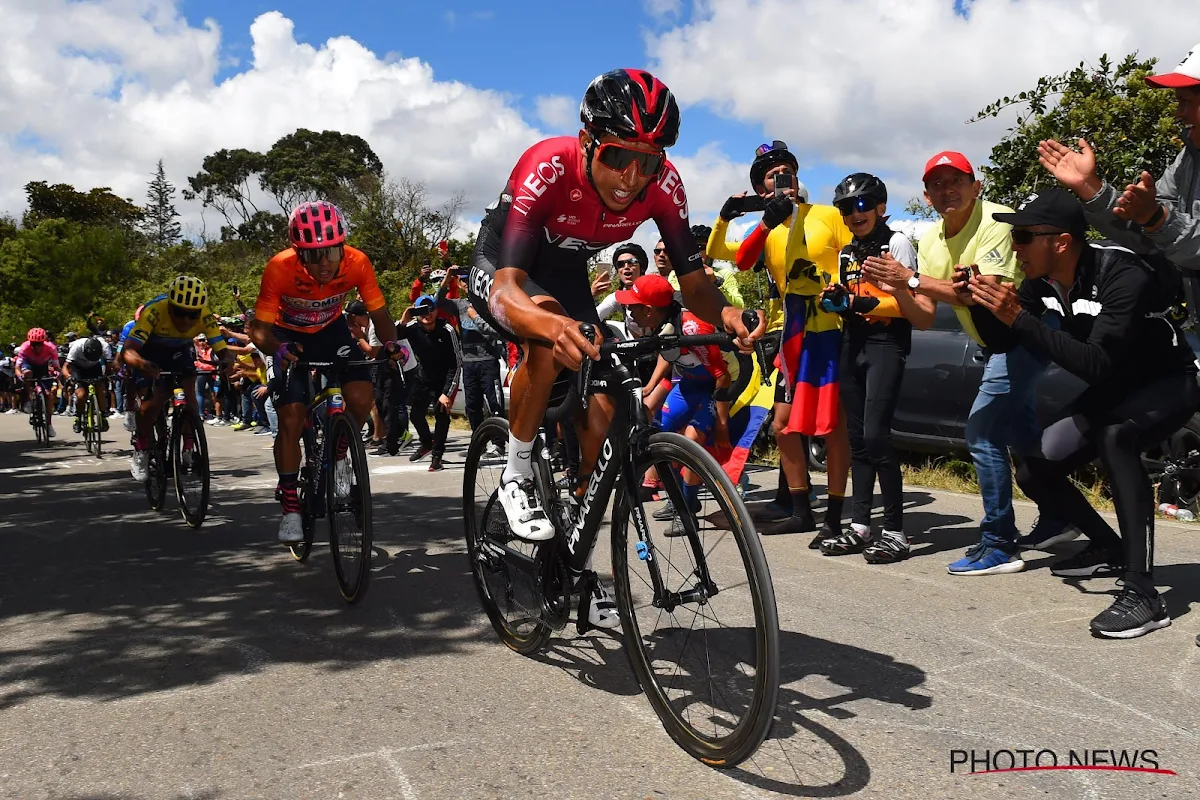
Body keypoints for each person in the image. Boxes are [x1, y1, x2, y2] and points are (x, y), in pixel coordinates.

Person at [466, 69, 760, 630]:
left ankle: (574, 544)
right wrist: (548, 328)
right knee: (549, 330)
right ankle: (517, 470)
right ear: (587, 141)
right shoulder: (547, 165)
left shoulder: (663, 185)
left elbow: (694, 278)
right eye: (619, 156)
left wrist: (725, 312)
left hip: (569, 272)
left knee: (606, 397)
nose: (632, 177)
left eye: (648, 161)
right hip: (503, 267)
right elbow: (508, 285)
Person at [963, 189, 1199, 638]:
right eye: (1015, 235)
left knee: (1116, 438)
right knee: (1035, 469)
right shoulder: (1042, 283)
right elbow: (1003, 340)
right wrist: (980, 300)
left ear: (1062, 242)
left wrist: (1020, 318)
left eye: (1025, 236)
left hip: (1168, 385)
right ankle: (1110, 547)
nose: (1015, 246)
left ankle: (1143, 592)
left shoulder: (1122, 273)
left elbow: (1096, 362)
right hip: (1115, 391)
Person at [862, 152, 1072, 575]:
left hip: (1027, 333)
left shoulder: (998, 220)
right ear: (926, 195)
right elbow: (922, 315)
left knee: (981, 433)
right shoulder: (932, 239)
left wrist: (913, 279)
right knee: (1022, 434)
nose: (947, 190)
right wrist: (898, 287)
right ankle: (1058, 516)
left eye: (955, 180)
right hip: (1000, 342)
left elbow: (980, 292)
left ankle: (1000, 543)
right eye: (937, 184)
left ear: (976, 186)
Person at [717, 140, 853, 540]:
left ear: (796, 177)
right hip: (794, 333)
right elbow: (735, 259)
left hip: (833, 328)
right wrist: (730, 219)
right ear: (762, 191)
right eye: (770, 178)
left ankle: (833, 515)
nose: (779, 180)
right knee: (783, 426)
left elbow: (856, 255)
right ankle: (800, 508)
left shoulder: (828, 215)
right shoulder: (769, 230)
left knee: (834, 427)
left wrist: (846, 289)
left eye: (785, 173)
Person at [251, 201, 401, 543]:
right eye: (312, 256)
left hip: (331, 332)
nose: (323, 264)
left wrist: (391, 344)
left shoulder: (358, 262)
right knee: (291, 416)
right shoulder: (279, 268)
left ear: (341, 246)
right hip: (289, 337)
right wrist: (278, 349)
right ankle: (291, 503)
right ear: (297, 252)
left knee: (362, 397)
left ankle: (338, 451)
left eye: (331, 253)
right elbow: (258, 330)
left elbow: (381, 316)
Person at [819, 174, 935, 562]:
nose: (855, 214)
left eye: (863, 205)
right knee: (856, 438)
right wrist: (837, 297)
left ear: (881, 207)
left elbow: (906, 304)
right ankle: (859, 526)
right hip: (853, 342)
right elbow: (852, 296)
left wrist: (859, 306)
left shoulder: (896, 241)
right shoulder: (848, 252)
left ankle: (896, 532)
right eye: (847, 209)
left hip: (886, 343)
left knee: (876, 436)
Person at [1038, 43, 1200, 273]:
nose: (1178, 113)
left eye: (1185, 101)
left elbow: (1160, 222)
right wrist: (1090, 188)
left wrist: (1155, 217)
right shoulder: (1189, 158)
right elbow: (1150, 237)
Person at [122, 277, 231, 480]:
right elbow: (127, 351)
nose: (187, 320)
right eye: (180, 313)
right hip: (150, 351)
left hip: (180, 350)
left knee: (189, 394)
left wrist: (226, 361)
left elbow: (222, 350)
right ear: (170, 307)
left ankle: (189, 442)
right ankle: (141, 446)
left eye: (193, 315)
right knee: (152, 403)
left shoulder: (205, 317)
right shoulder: (154, 311)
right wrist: (142, 364)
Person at [400, 295, 462, 471]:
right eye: (422, 310)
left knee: (441, 414)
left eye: (431, 309)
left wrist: (446, 393)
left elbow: (456, 364)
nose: (427, 314)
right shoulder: (412, 328)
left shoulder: (447, 330)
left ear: (437, 310)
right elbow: (390, 337)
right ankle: (426, 443)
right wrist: (403, 321)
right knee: (415, 414)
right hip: (423, 376)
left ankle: (437, 456)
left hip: (444, 378)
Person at [63, 334, 113, 434]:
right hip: (78, 369)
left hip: (95, 368)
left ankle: (103, 416)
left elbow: (109, 366)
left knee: (100, 390)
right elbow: (65, 367)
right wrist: (69, 377)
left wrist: (107, 376)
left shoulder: (105, 347)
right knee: (81, 395)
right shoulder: (76, 347)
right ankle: (78, 417)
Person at [15, 328, 60, 436]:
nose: (36, 347)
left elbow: (56, 366)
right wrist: (20, 375)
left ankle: (49, 424)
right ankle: (29, 398)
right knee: (27, 373)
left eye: (39, 344)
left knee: (48, 395)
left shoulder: (51, 348)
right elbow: (17, 367)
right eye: (33, 344)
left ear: (43, 342)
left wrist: (57, 373)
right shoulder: (25, 347)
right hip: (29, 364)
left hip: (42, 367)